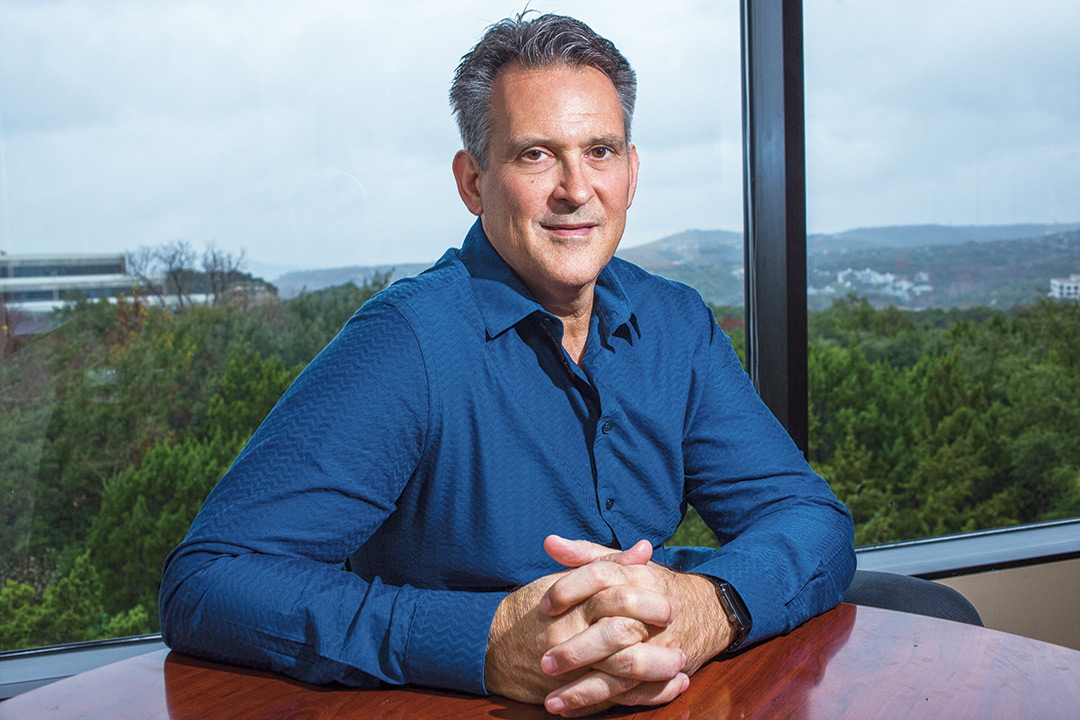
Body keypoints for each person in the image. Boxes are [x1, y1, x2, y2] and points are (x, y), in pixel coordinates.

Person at [159, 12, 855, 717]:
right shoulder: (408, 343)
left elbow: (808, 516)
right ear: (472, 181)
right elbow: (208, 583)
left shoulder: (676, 325)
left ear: (632, 171)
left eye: (601, 151)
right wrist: (483, 640)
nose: (577, 189)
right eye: (536, 155)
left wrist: (710, 604)